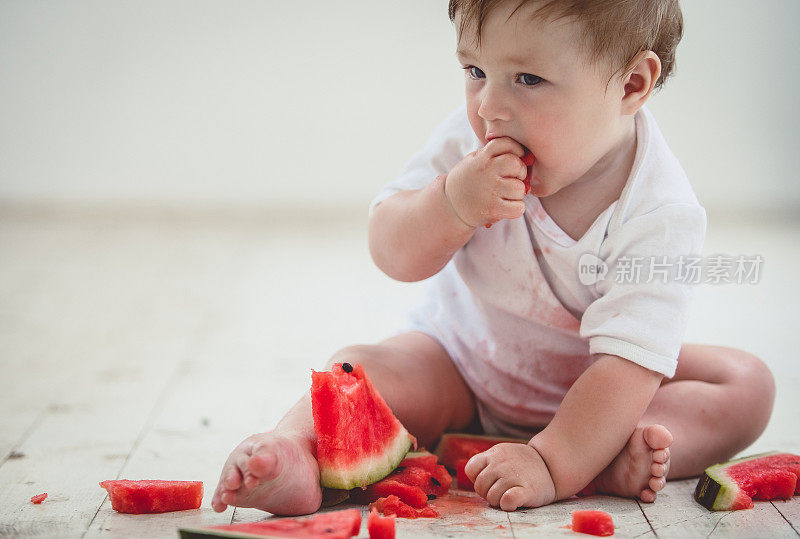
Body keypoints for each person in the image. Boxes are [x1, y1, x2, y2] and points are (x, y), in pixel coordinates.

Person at [211, 0, 775, 515]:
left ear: (631, 83)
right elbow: (391, 251)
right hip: (459, 362)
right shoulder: (470, 140)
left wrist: (552, 462)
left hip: (595, 384)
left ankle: (611, 449)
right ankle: (293, 453)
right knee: (359, 365)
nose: (490, 106)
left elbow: (629, 366)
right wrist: (451, 205)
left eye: (528, 79)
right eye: (475, 71)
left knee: (747, 386)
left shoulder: (659, 212)